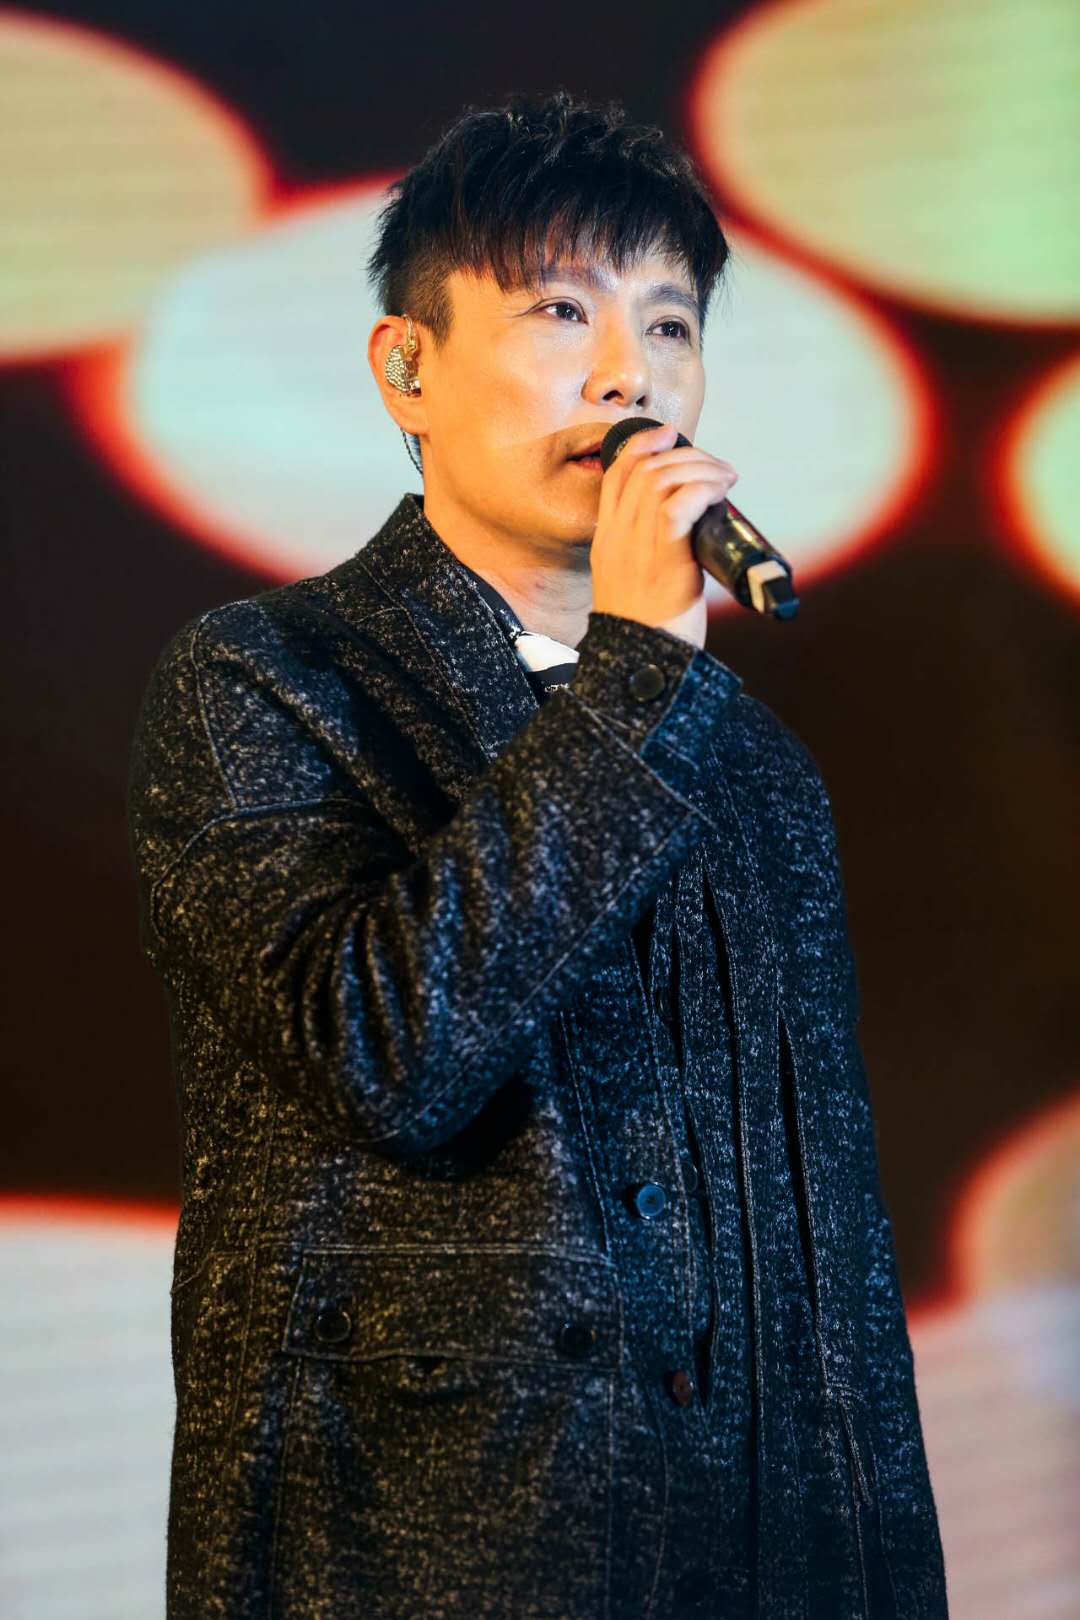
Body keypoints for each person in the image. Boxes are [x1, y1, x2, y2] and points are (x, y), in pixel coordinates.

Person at [128, 89, 948, 1619]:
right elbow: (389, 1053)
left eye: (671, 323)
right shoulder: (265, 681)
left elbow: (833, 1256)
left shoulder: (756, 764)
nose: (632, 373)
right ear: (409, 366)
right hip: (428, 1556)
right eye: (563, 310)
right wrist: (638, 673)